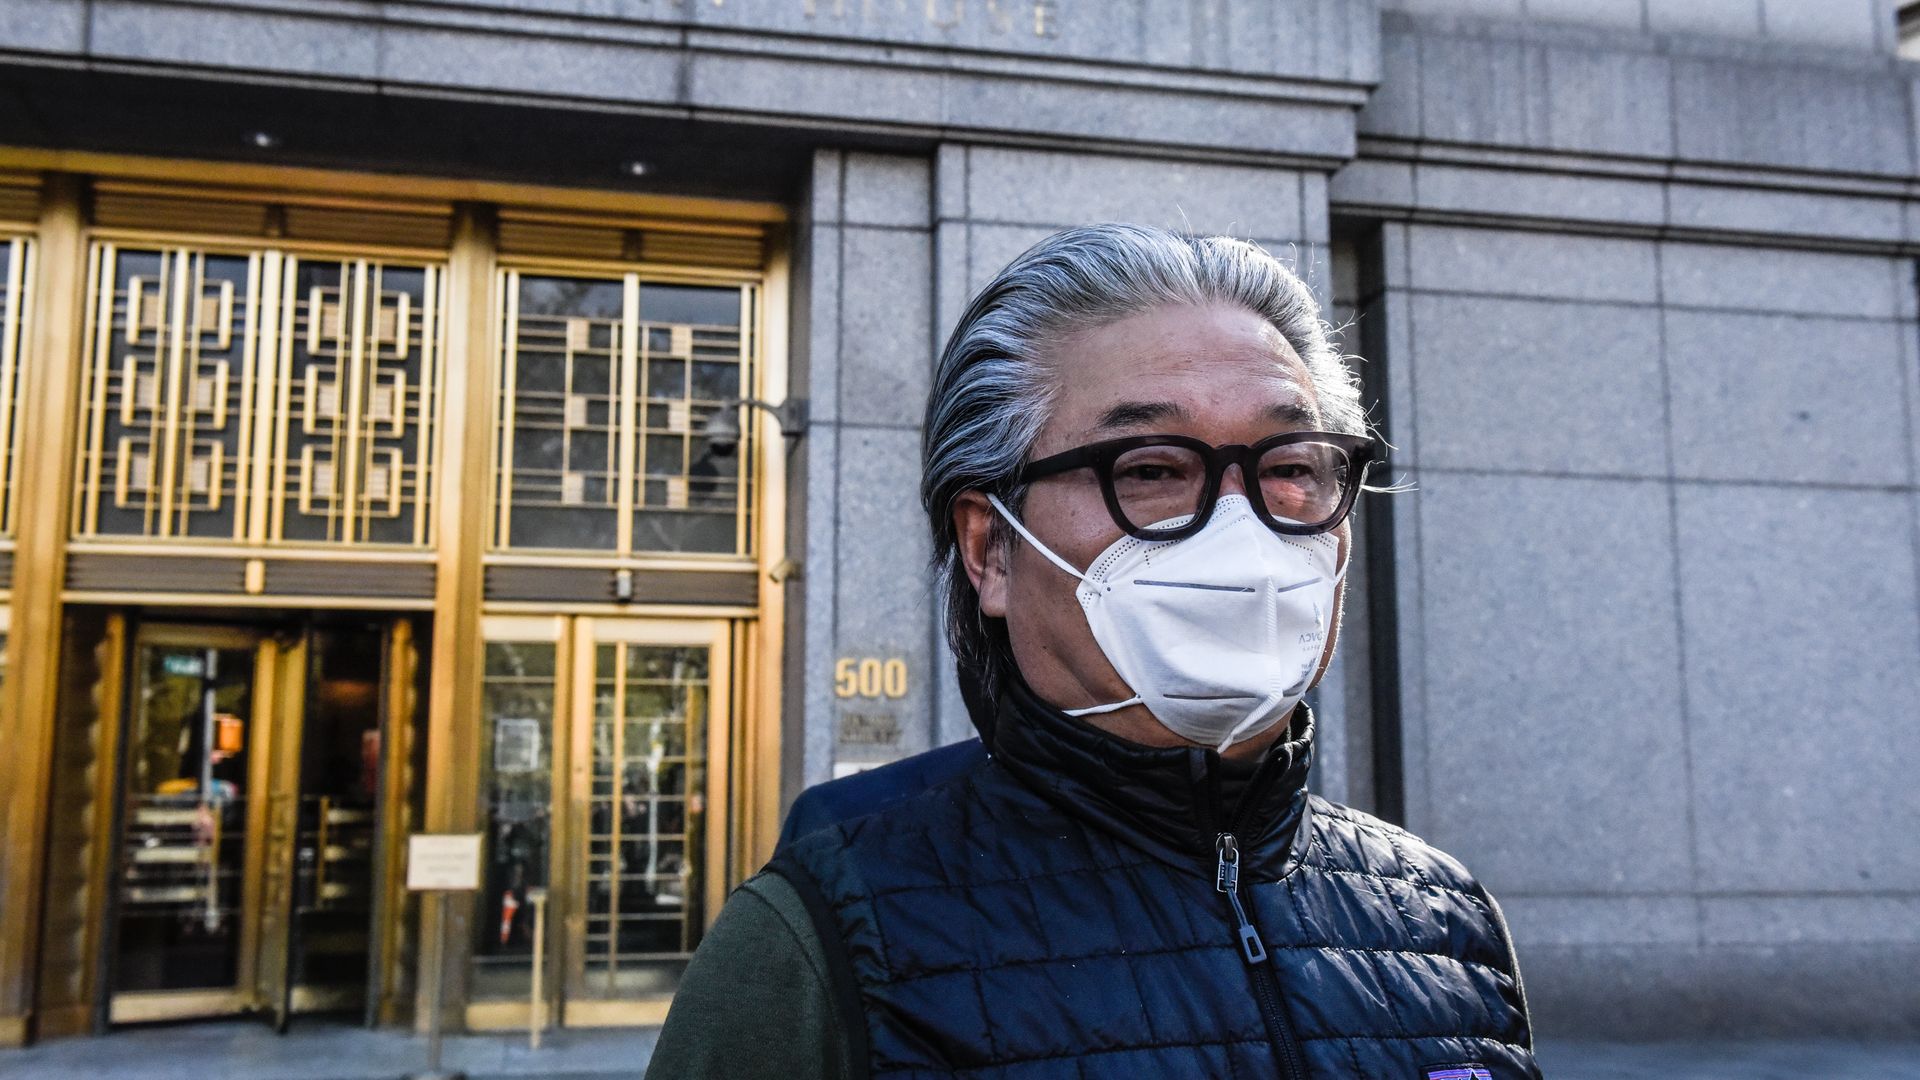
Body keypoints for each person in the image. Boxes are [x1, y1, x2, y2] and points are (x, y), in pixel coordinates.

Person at [648, 223, 1539, 1079]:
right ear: (989, 549)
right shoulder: (826, 941)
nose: (1241, 530)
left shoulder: (1443, 919)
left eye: (1290, 467)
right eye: (1150, 468)